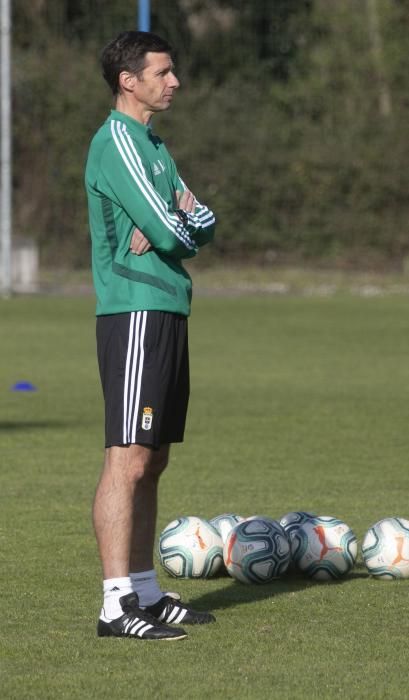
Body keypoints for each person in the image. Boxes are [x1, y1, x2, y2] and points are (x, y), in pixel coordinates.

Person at [84, 30, 216, 640]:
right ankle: (116, 606)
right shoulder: (118, 141)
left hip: (168, 306)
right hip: (134, 309)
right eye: (162, 72)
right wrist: (175, 222)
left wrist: (176, 221)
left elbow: (202, 220)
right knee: (127, 458)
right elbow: (172, 234)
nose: (175, 81)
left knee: (154, 458)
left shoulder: (154, 145)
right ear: (127, 81)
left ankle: (144, 589)